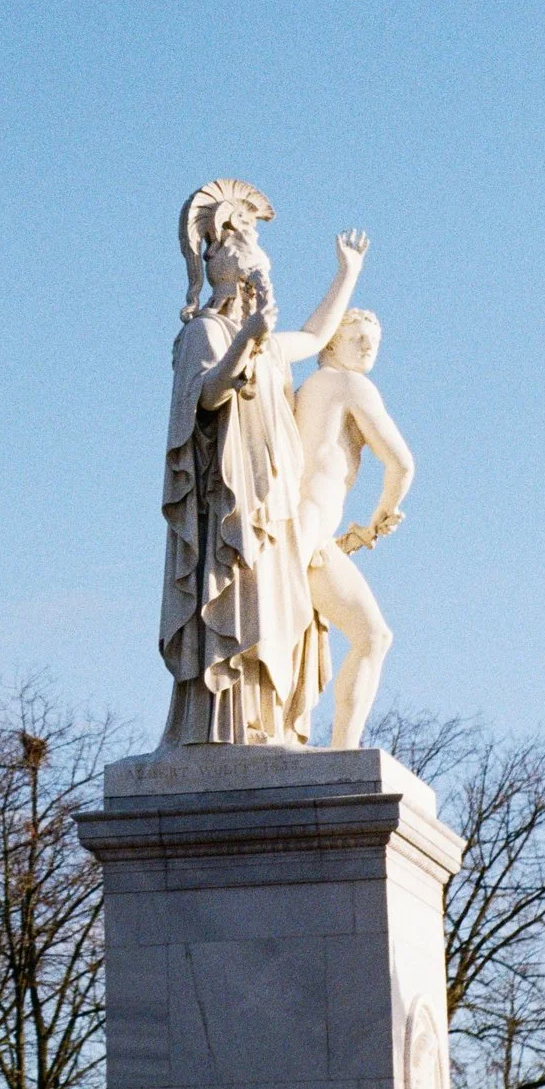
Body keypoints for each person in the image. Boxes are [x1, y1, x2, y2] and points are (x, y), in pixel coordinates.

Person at [159, 180, 367, 746]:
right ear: (220, 267)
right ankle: (221, 730)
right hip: (229, 500)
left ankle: (266, 725)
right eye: (236, 241)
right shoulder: (205, 331)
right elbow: (205, 397)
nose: (248, 246)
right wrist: (244, 340)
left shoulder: (271, 342)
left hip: (272, 498)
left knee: (275, 610)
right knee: (235, 604)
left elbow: (319, 333)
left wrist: (346, 272)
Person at [292, 309, 414, 748]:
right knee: (372, 635)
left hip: (304, 532)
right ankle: (344, 752)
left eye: (373, 342)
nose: (367, 348)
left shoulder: (308, 390)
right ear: (329, 345)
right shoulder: (348, 384)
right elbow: (401, 464)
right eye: (357, 338)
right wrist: (386, 512)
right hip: (309, 536)